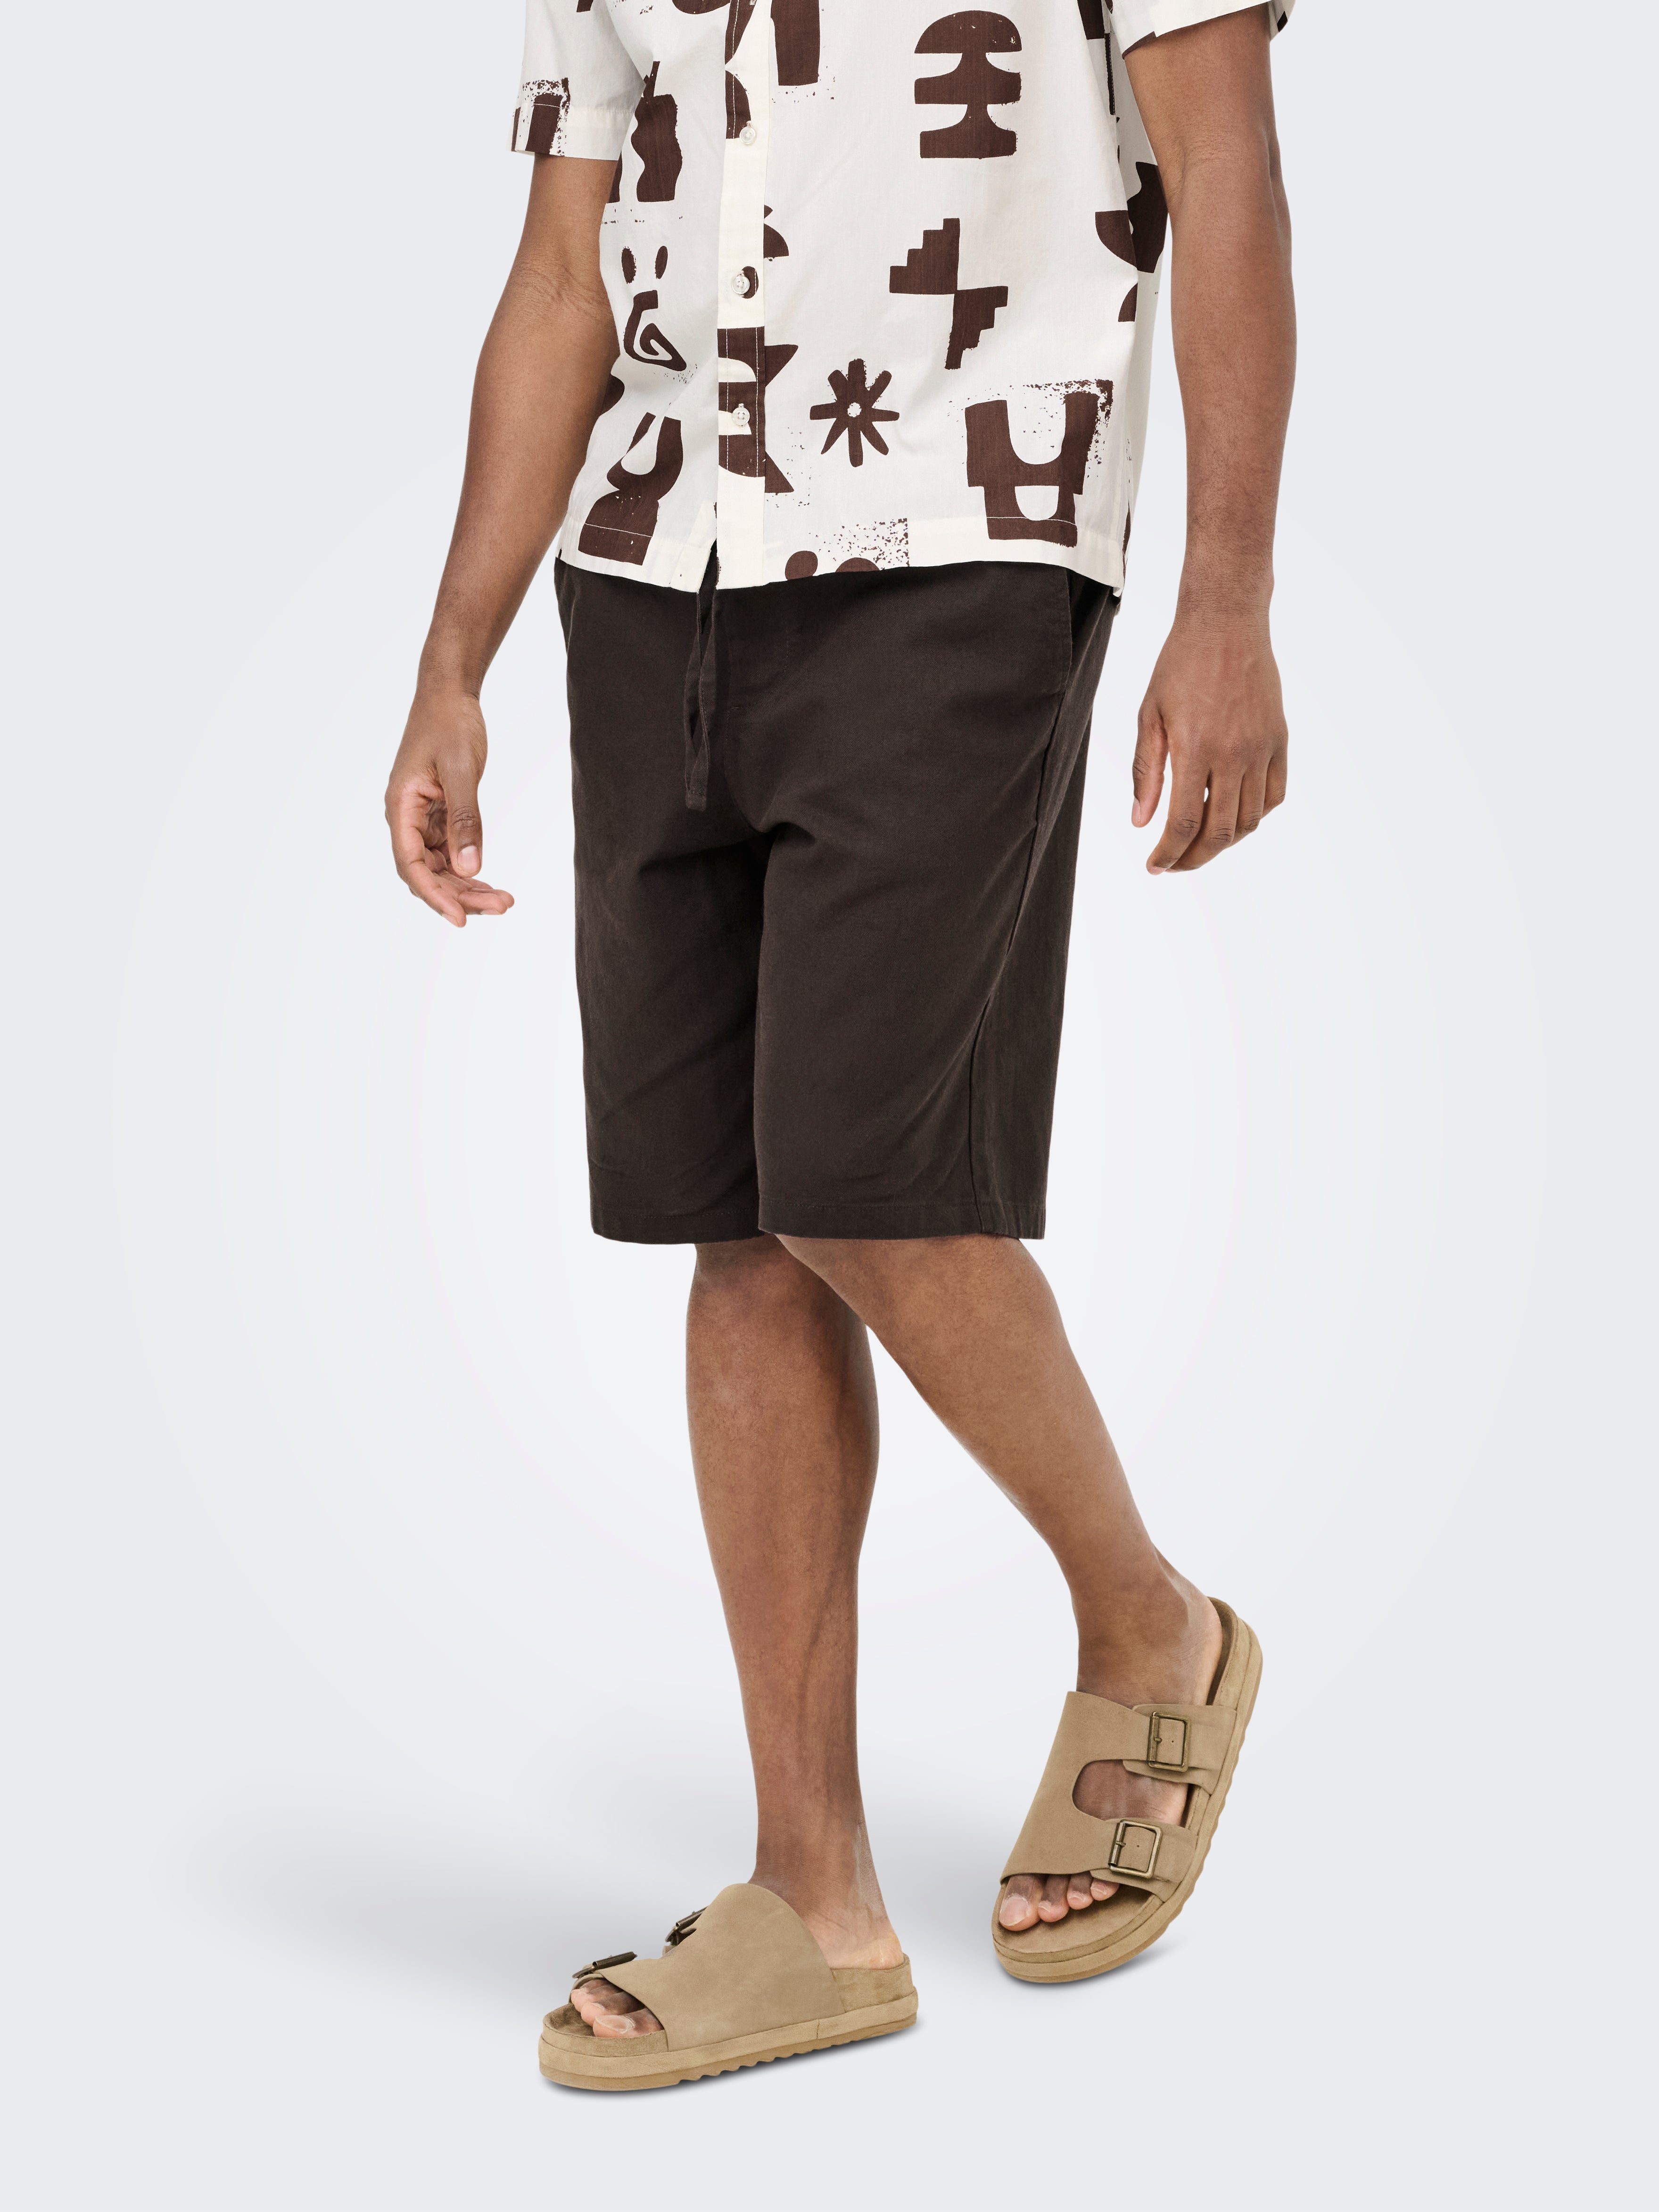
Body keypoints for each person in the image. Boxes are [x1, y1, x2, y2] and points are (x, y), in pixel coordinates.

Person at [385, 0, 1295, 2092]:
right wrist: (451, 661)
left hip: (959, 531)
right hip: (653, 568)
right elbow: (559, 269)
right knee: (735, 1224)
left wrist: (1228, 599)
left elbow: (1229, 172)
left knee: (870, 1182)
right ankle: (818, 1902)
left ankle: (1149, 1623)